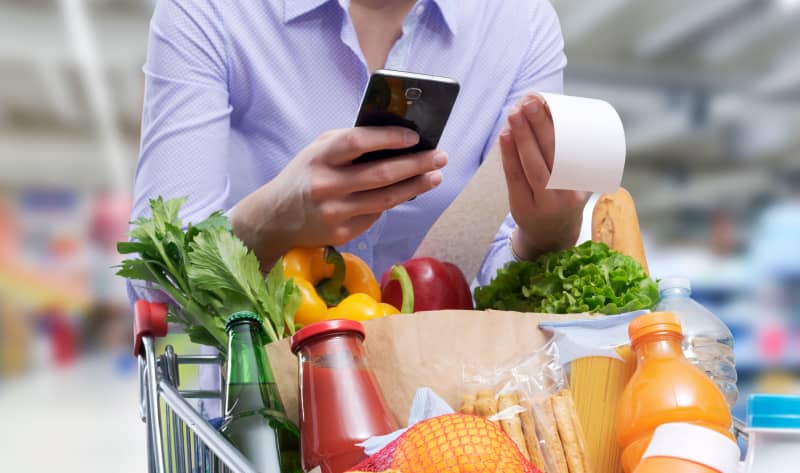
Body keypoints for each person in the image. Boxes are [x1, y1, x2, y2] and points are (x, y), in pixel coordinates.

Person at [133, 0, 588, 290]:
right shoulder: (209, 12)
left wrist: (542, 236)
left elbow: (493, 266)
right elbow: (151, 274)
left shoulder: (520, 24)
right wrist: (265, 224)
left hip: (438, 398)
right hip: (258, 386)